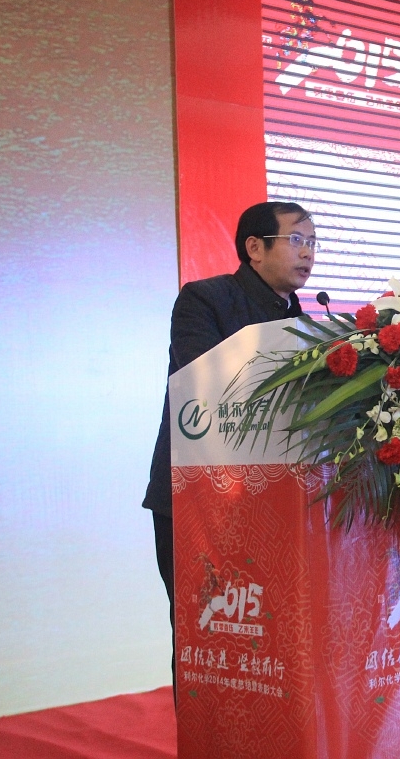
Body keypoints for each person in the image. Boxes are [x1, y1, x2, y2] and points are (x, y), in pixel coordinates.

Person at [143, 201, 317, 697]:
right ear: (254, 247)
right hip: (196, 496)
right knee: (205, 631)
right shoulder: (205, 300)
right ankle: (204, 731)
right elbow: (207, 381)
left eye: (313, 243)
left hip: (274, 500)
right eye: (297, 240)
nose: (308, 253)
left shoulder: (307, 319)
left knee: (267, 636)